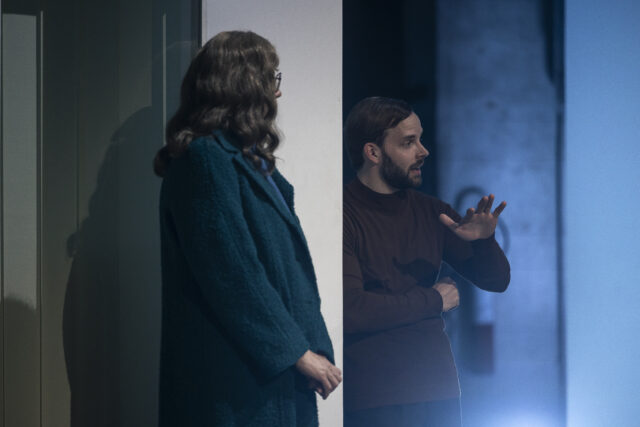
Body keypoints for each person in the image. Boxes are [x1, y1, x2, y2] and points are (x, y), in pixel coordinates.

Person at [154, 31, 341, 427]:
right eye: (271, 78)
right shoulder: (205, 160)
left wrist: (312, 348)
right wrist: (297, 353)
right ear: (243, 83)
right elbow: (232, 273)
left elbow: (287, 272)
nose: (277, 92)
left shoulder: (246, 162)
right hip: (235, 381)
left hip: (268, 373)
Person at [342, 97, 510, 427]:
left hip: (437, 390)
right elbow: (352, 310)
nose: (424, 151)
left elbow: (497, 281)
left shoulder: (432, 212)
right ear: (373, 152)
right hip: (374, 394)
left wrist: (484, 241)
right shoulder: (343, 213)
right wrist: (433, 300)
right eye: (408, 142)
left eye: (420, 139)